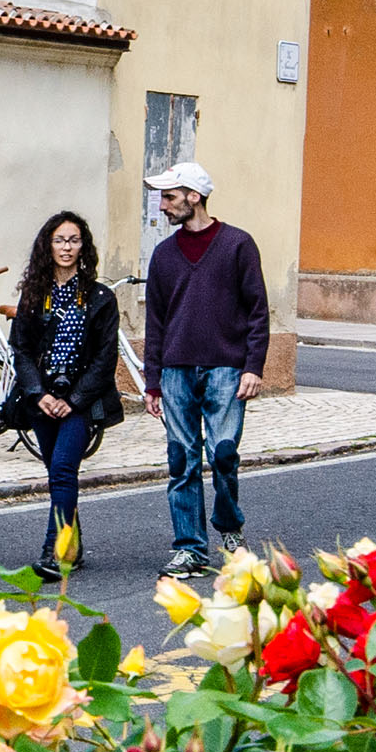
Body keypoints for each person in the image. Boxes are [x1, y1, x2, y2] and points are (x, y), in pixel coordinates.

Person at [141, 161, 269, 578]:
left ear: (193, 197)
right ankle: (190, 548)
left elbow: (257, 310)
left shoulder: (237, 245)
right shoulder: (163, 255)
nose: (162, 206)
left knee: (224, 453)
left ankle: (229, 527)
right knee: (182, 460)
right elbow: (155, 322)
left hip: (227, 370)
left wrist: (253, 365)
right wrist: (153, 382)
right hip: (176, 371)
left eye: (169, 197)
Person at [7, 209, 122, 583]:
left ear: (83, 246)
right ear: (48, 245)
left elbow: (106, 358)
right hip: (41, 400)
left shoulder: (100, 297)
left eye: (74, 240)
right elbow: (21, 348)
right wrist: (38, 393)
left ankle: (56, 551)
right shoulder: (34, 294)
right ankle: (74, 544)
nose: (67, 247)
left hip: (80, 401)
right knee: (57, 473)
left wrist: (72, 400)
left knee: (62, 470)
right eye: (60, 240)